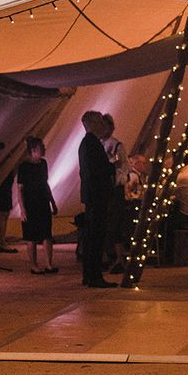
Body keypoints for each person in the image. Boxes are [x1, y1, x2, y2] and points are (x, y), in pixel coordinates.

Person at [79, 110, 115, 288]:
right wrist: (111, 167)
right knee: (95, 237)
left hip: (92, 195)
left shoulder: (87, 144)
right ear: (93, 124)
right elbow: (97, 171)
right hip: (97, 196)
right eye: (100, 122)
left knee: (91, 236)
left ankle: (90, 275)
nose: (103, 126)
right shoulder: (92, 144)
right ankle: (94, 276)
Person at [16, 137, 58, 275]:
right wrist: (22, 209)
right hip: (30, 204)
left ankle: (49, 264)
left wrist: (52, 201)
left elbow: (45, 184)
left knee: (47, 235)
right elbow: (20, 189)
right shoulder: (23, 167)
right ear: (33, 150)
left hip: (43, 203)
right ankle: (34, 266)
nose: (44, 150)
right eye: (41, 148)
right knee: (31, 237)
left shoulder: (43, 164)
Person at [101, 113, 130, 274]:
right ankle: (107, 256)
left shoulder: (117, 145)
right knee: (107, 223)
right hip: (105, 189)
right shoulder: (99, 144)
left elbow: (124, 166)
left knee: (115, 223)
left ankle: (118, 258)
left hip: (115, 188)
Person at [0, 170, 18, 253]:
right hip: (1, 191)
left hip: (5, 190)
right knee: (1, 216)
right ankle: (0, 243)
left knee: (4, 216)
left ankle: (1, 242)